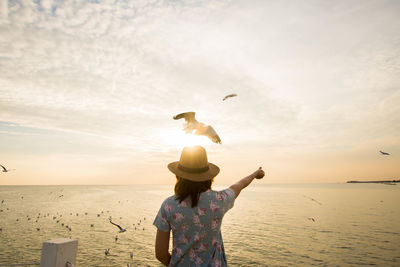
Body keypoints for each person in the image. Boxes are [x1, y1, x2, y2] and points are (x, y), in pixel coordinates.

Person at [153, 146, 265, 266]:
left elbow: (160, 254)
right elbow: (239, 185)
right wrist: (255, 174)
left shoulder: (168, 205)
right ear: (208, 177)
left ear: (179, 176)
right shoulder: (219, 200)